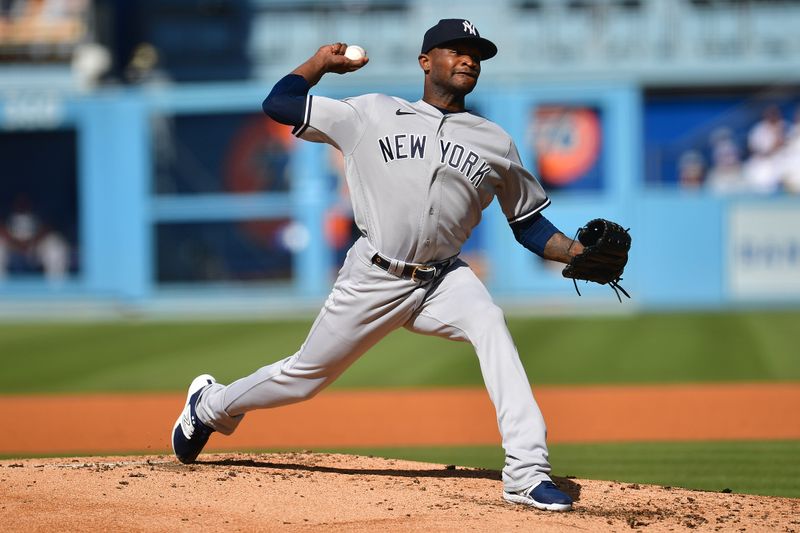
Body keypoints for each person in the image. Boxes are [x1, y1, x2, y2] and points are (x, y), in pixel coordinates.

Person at [172, 19, 585, 512]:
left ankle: (526, 472)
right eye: (457, 50)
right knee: (304, 378)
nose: (469, 59)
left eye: (476, 53)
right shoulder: (372, 112)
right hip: (374, 274)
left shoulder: (494, 141)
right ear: (425, 62)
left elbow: (530, 226)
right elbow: (278, 104)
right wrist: (319, 65)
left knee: (490, 323)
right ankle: (210, 406)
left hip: (443, 279)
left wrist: (578, 254)